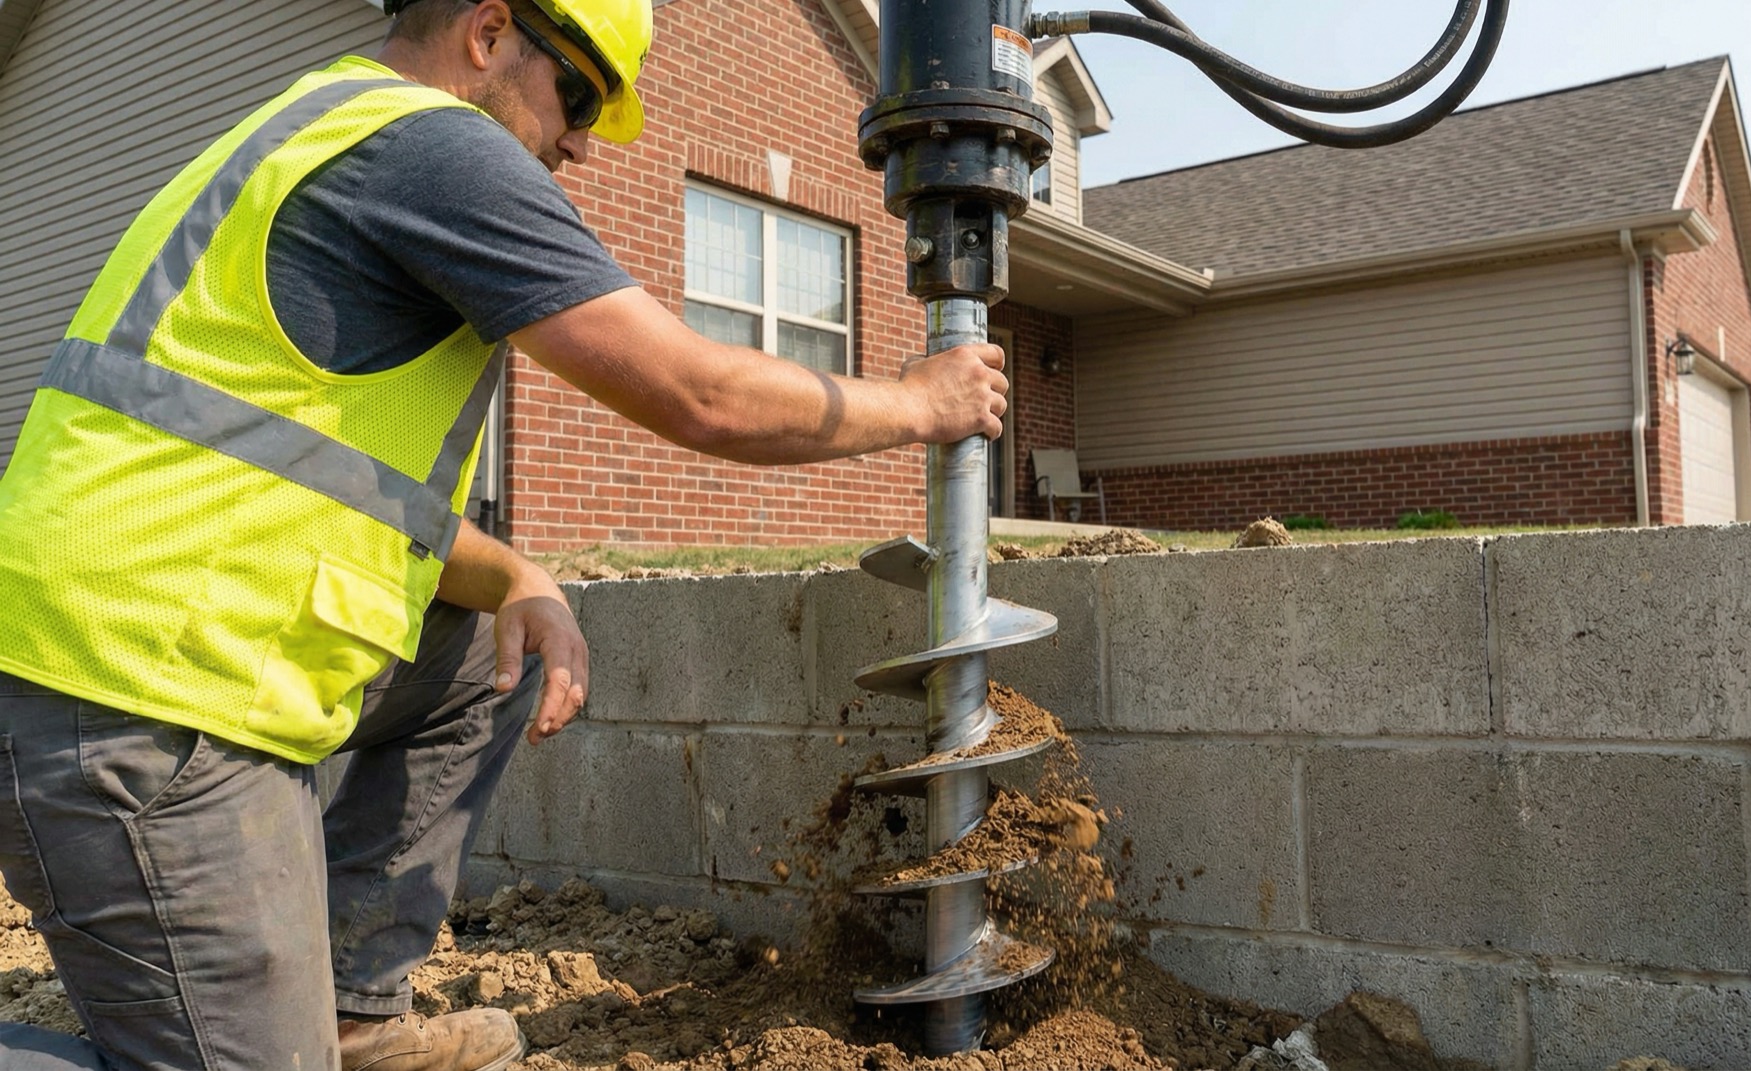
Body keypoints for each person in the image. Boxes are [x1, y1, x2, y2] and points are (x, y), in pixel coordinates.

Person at [0, 0, 1008, 1067]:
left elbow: (315, 482)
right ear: (488, 34)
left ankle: (346, 1012)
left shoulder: (321, 124)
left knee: (496, 653)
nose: (578, 140)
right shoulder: (433, 147)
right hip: (130, 702)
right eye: (576, 95)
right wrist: (922, 404)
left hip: (157, 643)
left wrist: (523, 573)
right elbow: (694, 392)